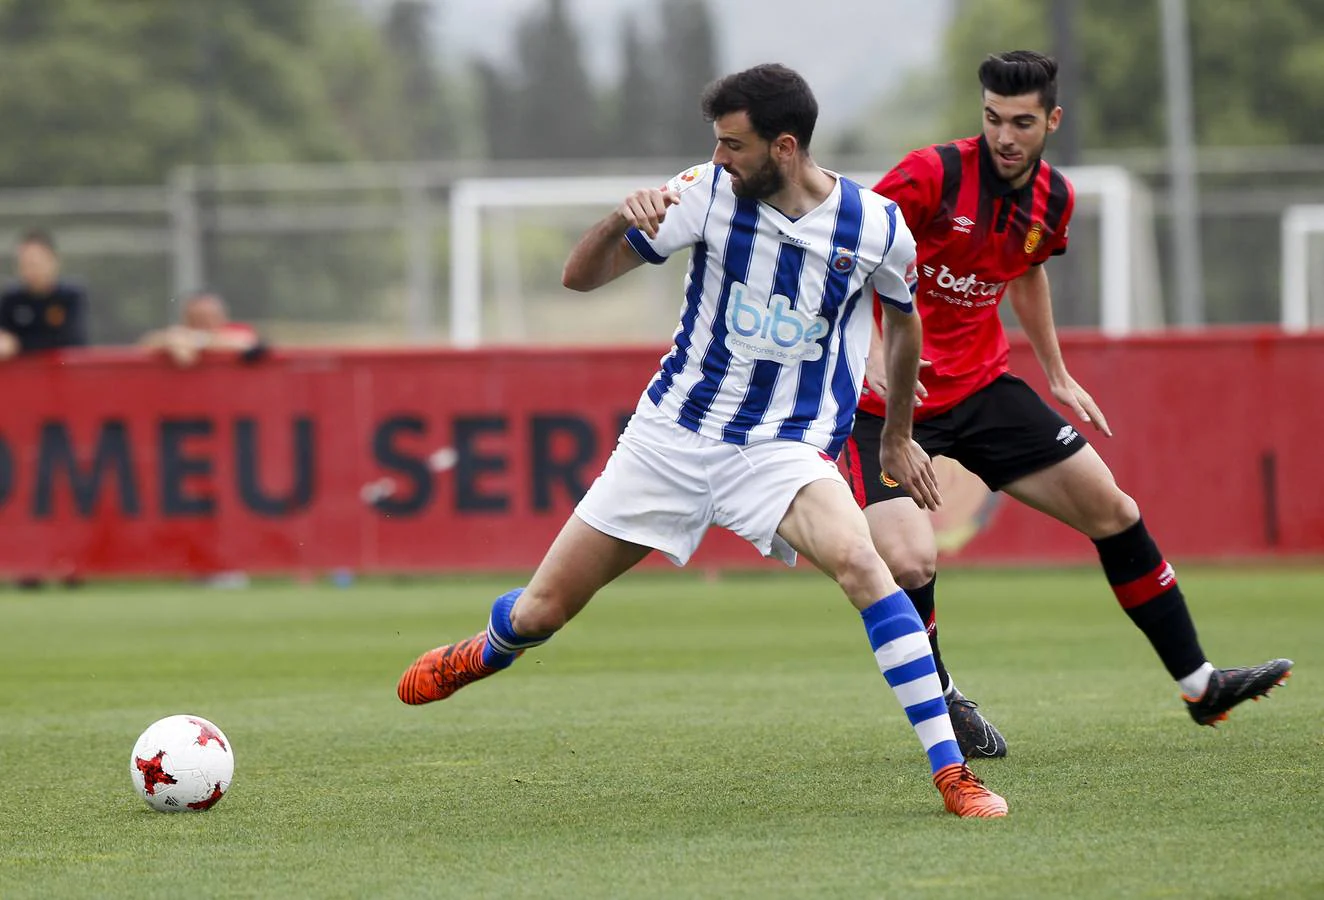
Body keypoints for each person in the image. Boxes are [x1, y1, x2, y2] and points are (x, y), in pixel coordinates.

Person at [397, 64, 1007, 818]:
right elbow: (577, 279)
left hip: (782, 448)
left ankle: (953, 776)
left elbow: (904, 317)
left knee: (863, 563)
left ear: (784, 147)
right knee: (543, 612)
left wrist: (896, 437)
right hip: (671, 439)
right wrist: (622, 220)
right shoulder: (704, 194)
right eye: (716, 143)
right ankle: (491, 647)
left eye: (732, 144)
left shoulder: (875, 225)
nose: (719, 158)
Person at [845, 50, 1292, 759]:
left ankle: (1200, 685)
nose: (1005, 136)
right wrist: (868, 344)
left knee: (1114, 511)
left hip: (984, 390)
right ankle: (943, 698)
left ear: (1051, 120)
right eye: (993, 118)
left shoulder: (1053, 198)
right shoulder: (932, 174)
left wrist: (1056, 371)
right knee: (908, 562)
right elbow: (849, 243)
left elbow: (1025, 274)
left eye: (1022, 121)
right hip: (886, 403)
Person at [0, 229, 88, 361]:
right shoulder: (11, 299)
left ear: (54, 261)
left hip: (63, 375)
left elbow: (71, 340)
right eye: (24, 264)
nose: (30, 269)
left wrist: (19, 345)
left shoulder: (70, 297)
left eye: (35, 263)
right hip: (22, 377)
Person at [140, 290, 266, 367]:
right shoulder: (177, 334)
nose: (204, 323)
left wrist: (197, 341)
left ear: (222, 316)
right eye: (197, 318)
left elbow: (248, 343)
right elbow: (146, 344)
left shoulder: (238, 331)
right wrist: (172, 340)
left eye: (209, 317)